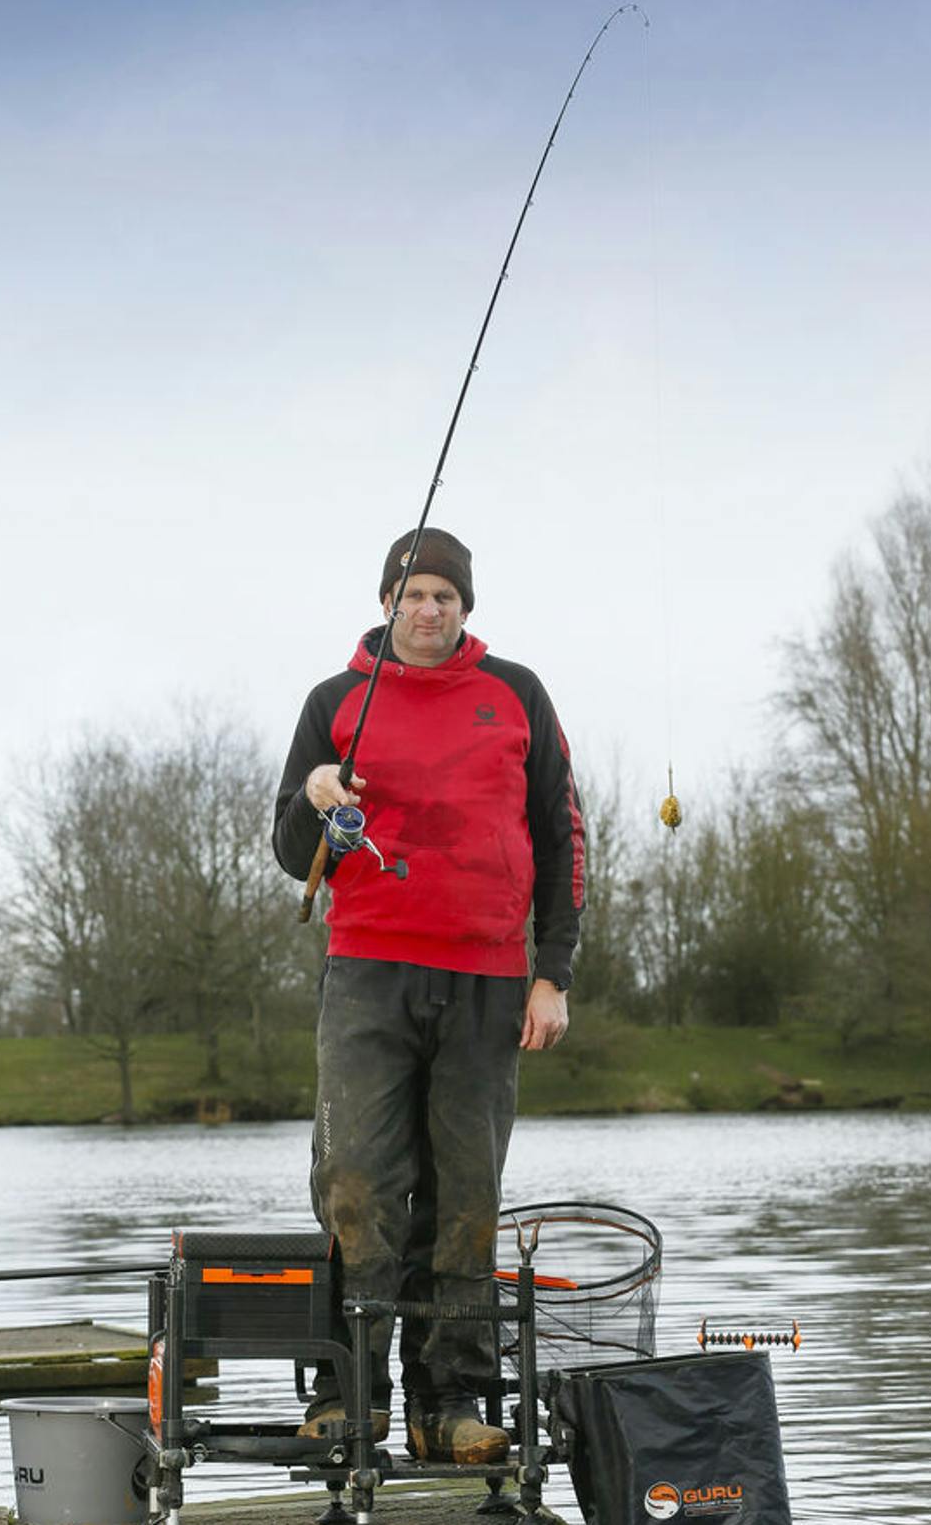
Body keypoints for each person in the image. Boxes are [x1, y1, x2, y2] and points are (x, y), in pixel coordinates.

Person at [272, 526, 584, 1465]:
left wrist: (553, 971)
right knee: (357, 1180)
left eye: (445, 596)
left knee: (467, 1199)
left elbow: (562, 835)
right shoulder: (335, 702)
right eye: (412, 594)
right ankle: (349, 1392)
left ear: (465, 609)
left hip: (490, 980)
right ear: (385, 604)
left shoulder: (517, 694)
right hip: (368, 974)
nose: (428, 609)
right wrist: (315, 797)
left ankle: (447, 1404)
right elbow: (293, 854)